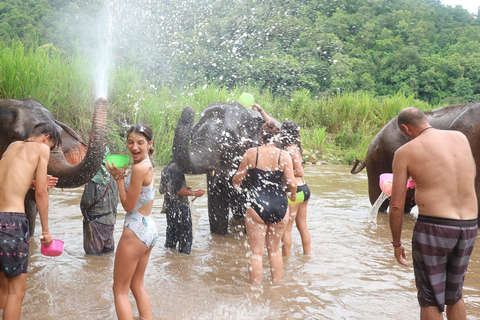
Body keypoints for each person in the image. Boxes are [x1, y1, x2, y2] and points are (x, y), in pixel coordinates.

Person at [389, 107, 478, 320]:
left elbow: (396, 206)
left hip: (435, 227)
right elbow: (469, 173)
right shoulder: (460, 137)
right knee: (454, 294)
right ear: (426, 119)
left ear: (405, 129)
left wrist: (396, 243)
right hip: (468, 226)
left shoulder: (405, 152)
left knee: (430, 297)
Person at [0, 122, 61, 320]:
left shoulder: (12, 147)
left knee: (3, 288)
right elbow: (41, 194)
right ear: (46, 138)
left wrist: (32, 181)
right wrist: (46, 230)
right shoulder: (42, 148)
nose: (49, 149)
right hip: (11, 222)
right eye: (52, 145)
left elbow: (7, 180)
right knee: (16, 291)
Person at [232, 121, 297, 285]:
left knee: (256, 253)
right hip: (280, 205)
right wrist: (293, 196)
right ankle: (276, 287)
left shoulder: (251, 153)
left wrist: (236, 184)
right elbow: (292, 184)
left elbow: (238, 177)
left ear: (261, 136)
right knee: (275, 250)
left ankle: (255, 292)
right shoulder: (284, 155)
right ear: (277, 138)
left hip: (256, 204)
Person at [106, 124, 157, 320]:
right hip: (149, 229)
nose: (134, 147)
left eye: (140, 143)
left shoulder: (139, 168)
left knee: (119, 290)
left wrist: (119, 180)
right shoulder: (148, 164)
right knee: (137, 284)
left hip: (135, 231)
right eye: (130, 142)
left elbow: (128, 206)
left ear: (149, 143)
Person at [252, 104, 311, 256]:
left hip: (295, 192)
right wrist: (261, 111)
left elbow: (300, 171)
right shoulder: (294, 146)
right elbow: (272, 125)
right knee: (302, 226)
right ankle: (307, 256)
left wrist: (287, 170)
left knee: (287, 229)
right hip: (303, 189)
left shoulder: (289, 150)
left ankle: (285, 260)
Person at [159, 160, 205, 254]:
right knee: (186, 237)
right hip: (181, 208)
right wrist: (196, 193)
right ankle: (184, 260)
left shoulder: (166, 167)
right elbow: (179, 191)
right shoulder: (178, 168)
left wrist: (184, 187)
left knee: (171, 237)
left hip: (170, 207)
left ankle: (170, 258)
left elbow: (163, 189)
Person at [80, 147, 119, 255]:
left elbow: (86, 202)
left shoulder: (93, 178)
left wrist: (85, 214)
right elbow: (116, 199)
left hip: (96, 223)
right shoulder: (114, 175)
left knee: (93, 258)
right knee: (107, 257)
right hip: (110, 223)